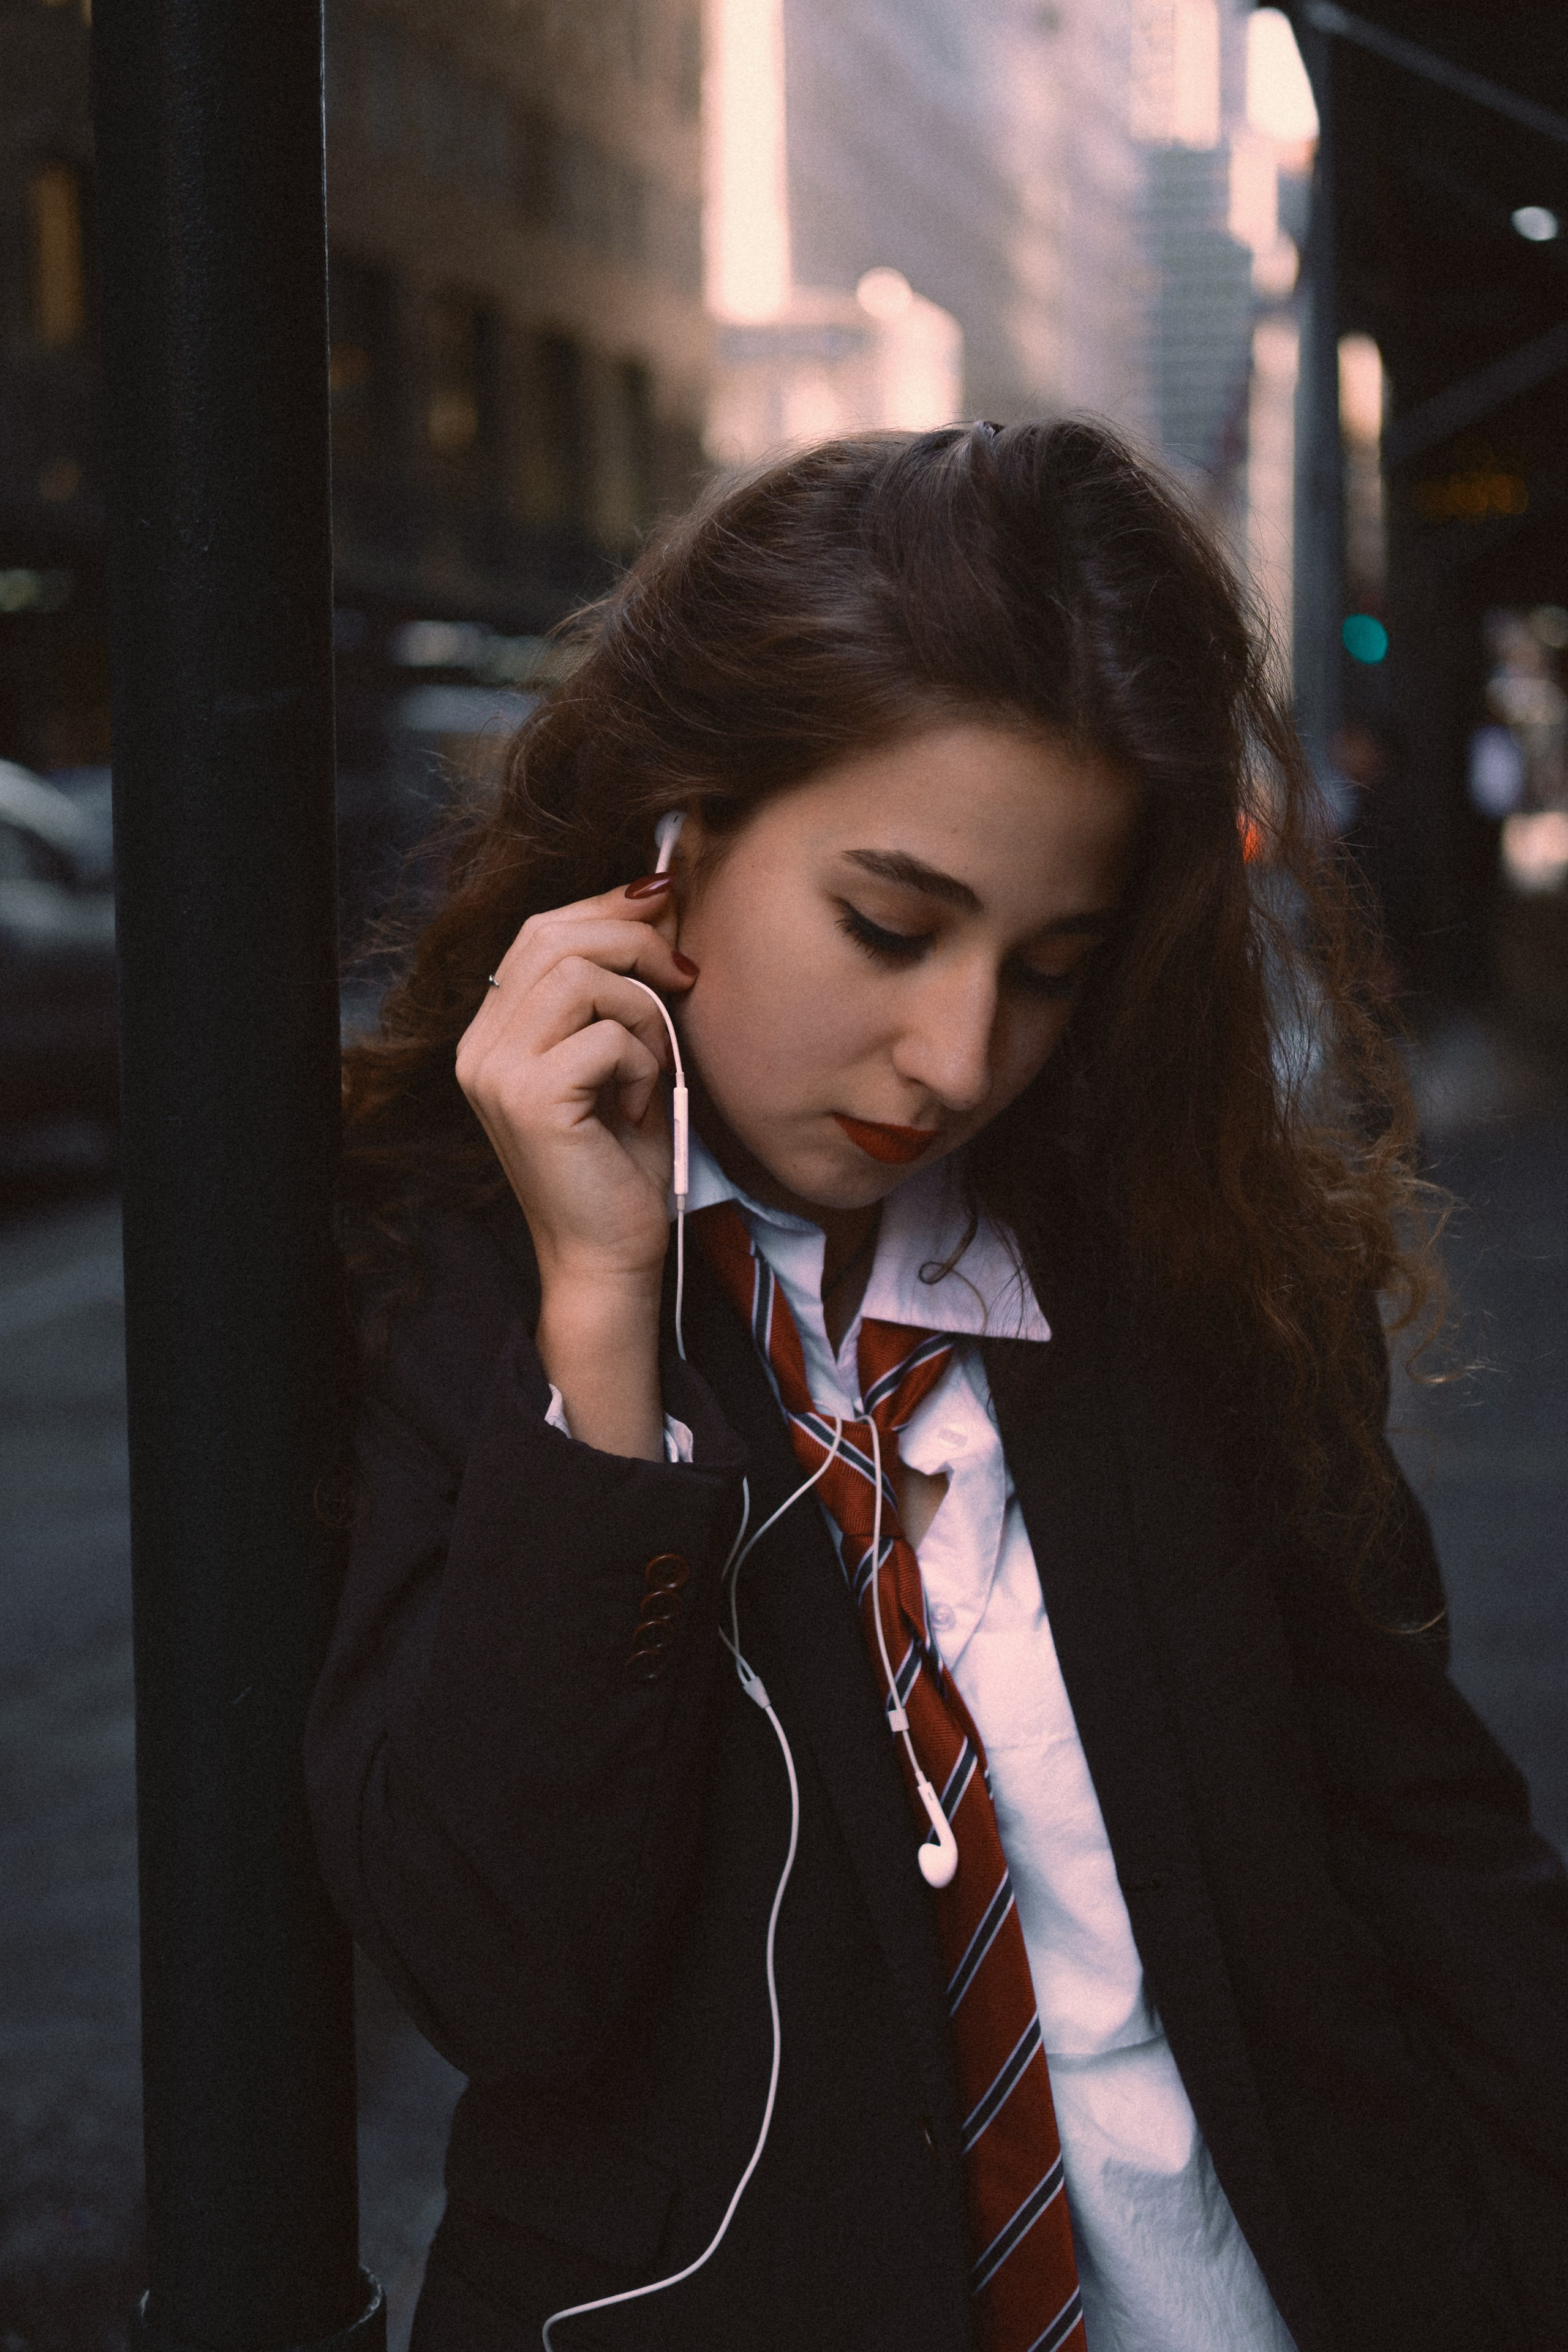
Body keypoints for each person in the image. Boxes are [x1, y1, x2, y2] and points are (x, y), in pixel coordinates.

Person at [306, 421, 1568, 2352]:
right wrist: (601, 1321)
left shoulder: (1178, 1254)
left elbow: (1435, 1852)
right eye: (890, 927)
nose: (960, 1053)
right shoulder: (431, 1269)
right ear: (673, 841)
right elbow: (506, 1969)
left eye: (1049, 967)